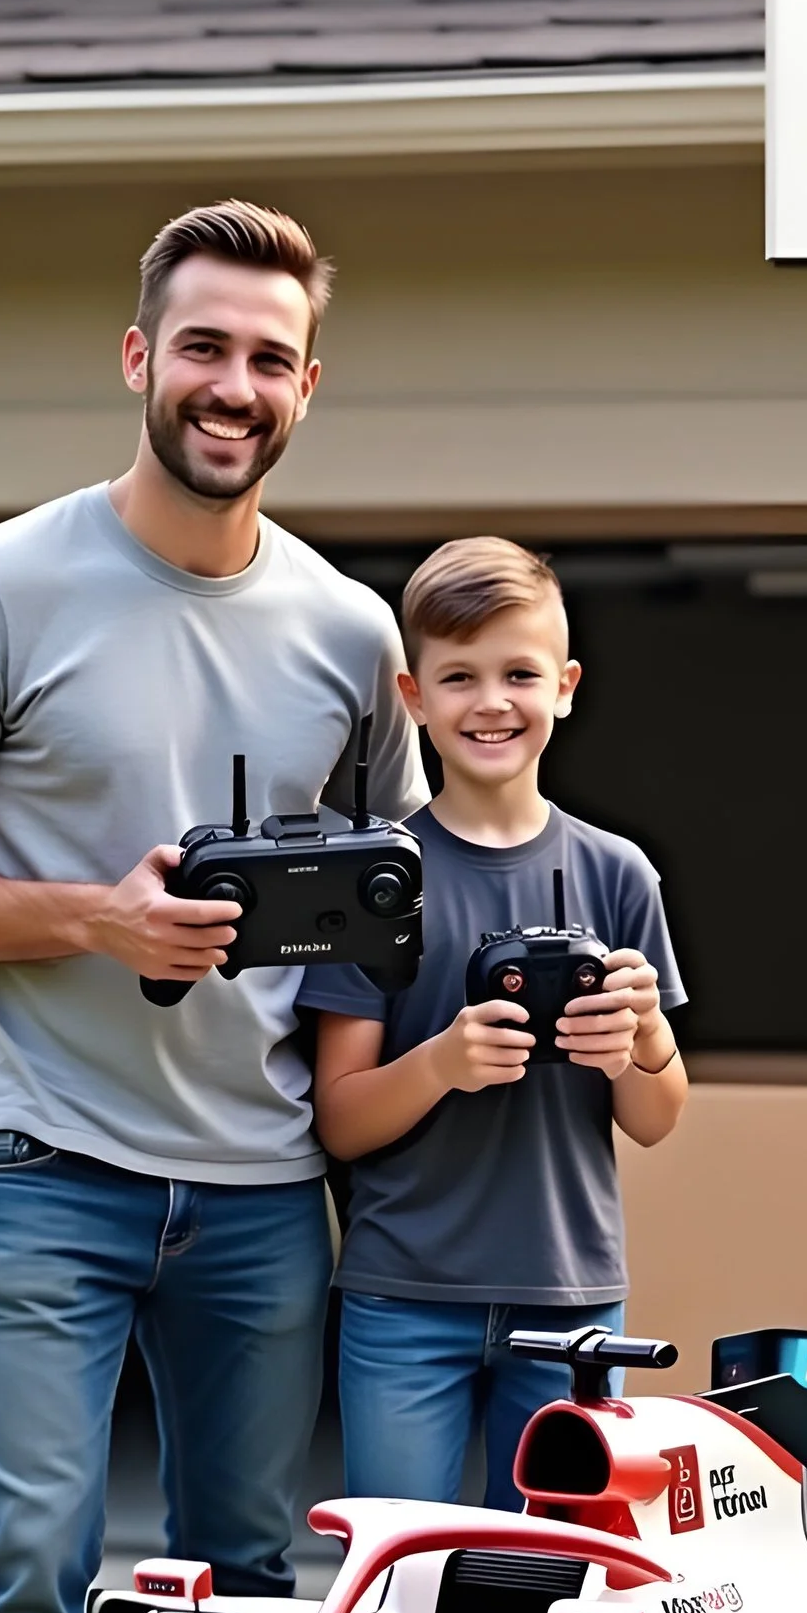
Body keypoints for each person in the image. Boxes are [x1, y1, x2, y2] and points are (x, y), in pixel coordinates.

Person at [0, 201, 429, 1613]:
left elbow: (396, 909)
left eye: (270, 359)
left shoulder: (353, 636)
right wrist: (96, 921)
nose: (235, 385)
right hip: (37, 1159)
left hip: (259, 1183)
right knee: (31, 1571)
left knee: (252, 1580)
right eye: (206, 347)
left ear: (310, 387)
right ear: (137, 357)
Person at [299, 538, 688, 1512]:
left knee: (558, 1577)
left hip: (569, 1296)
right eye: (458, 676)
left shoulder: (618, 874)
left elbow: (655, 1115)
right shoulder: (375, 882)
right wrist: (440, 1061)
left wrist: (640, 1041)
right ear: (413, 695)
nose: (491, 701)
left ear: (564, 686)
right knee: (398, 1575)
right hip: (402, 1294)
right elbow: (339, 1119)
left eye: (519, 673)